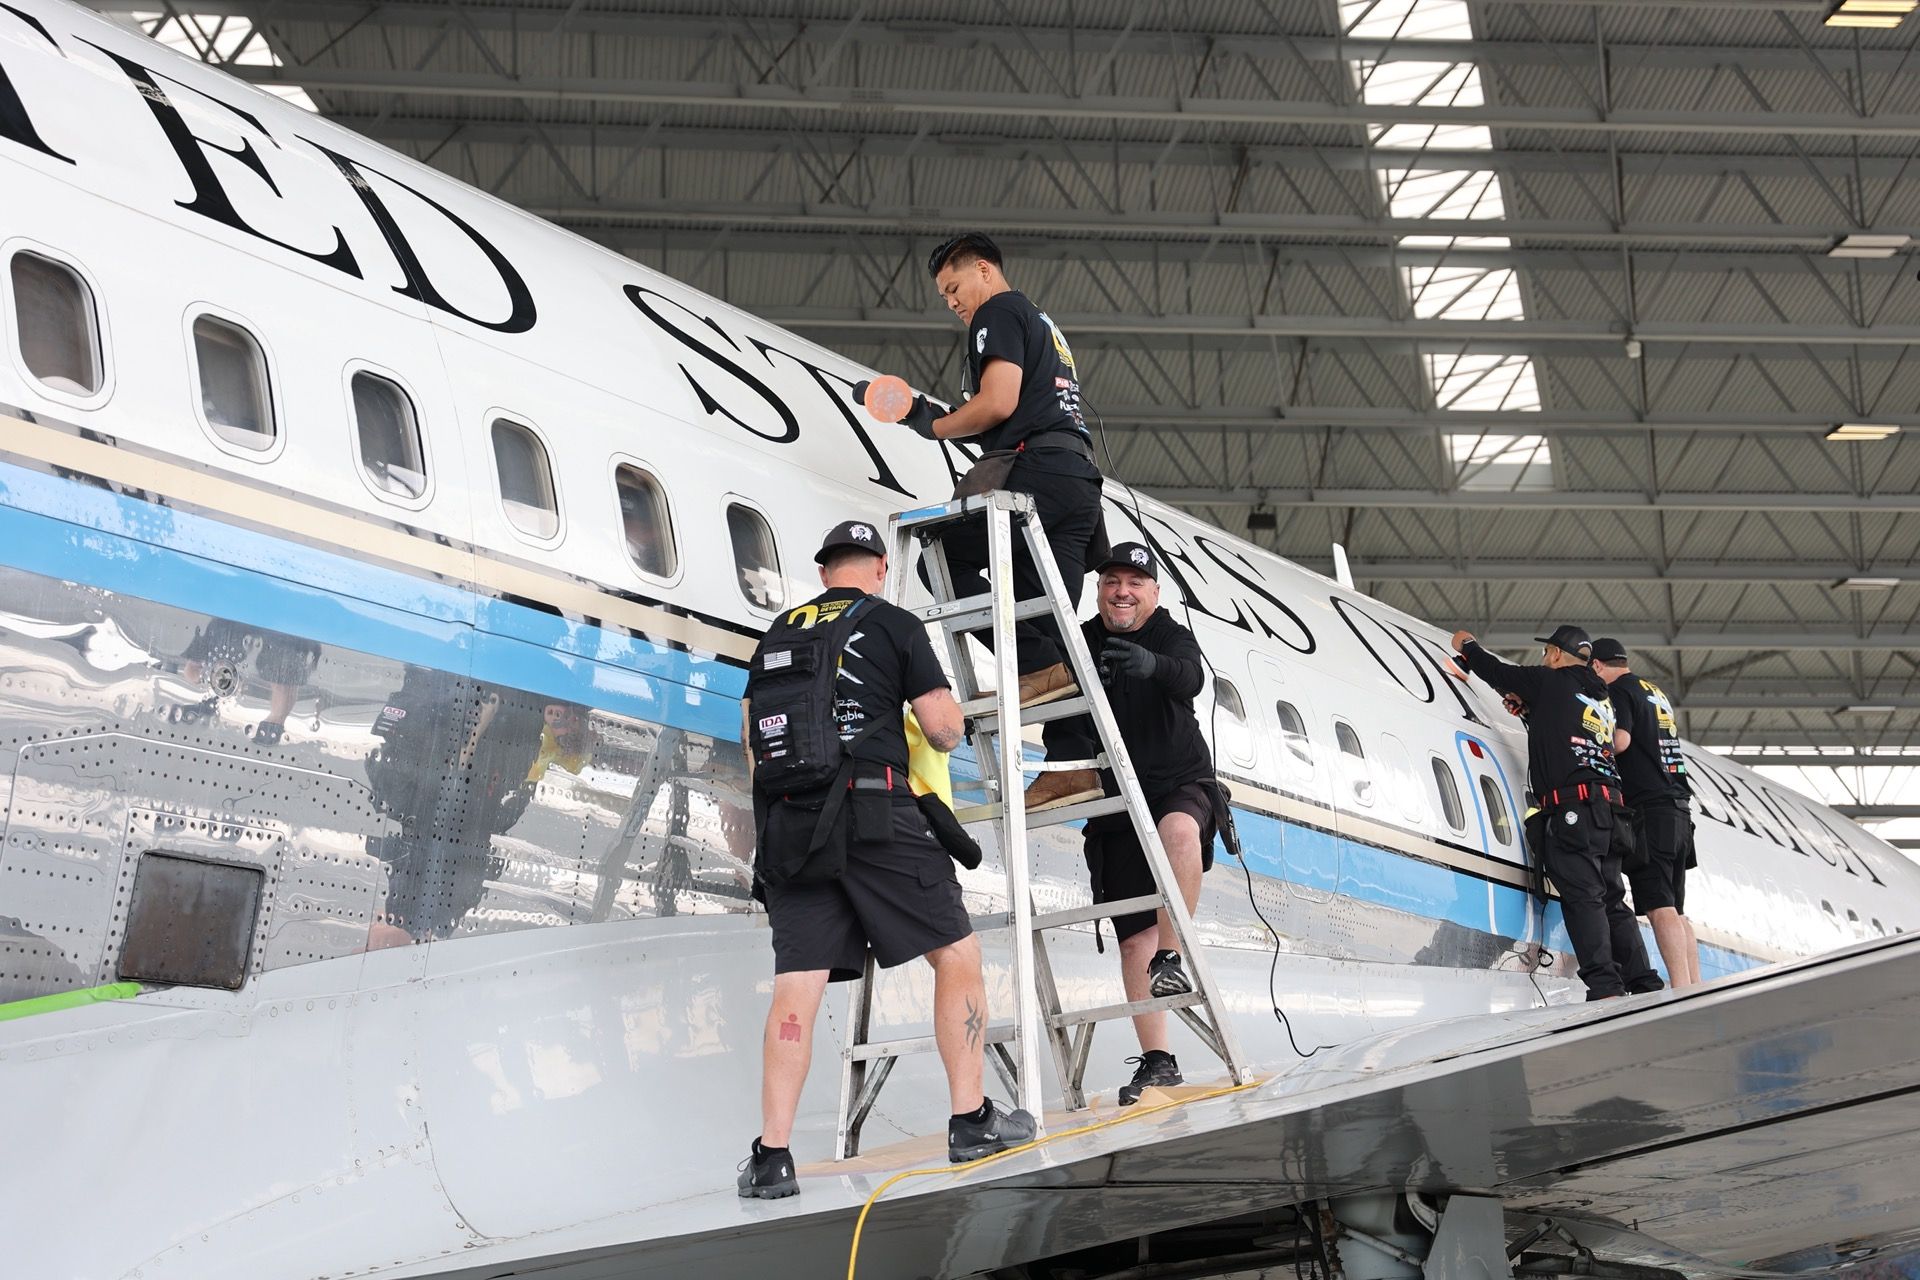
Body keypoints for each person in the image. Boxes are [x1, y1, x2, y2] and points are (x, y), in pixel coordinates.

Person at [736, 520, 1035, 1199]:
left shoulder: (777, 635)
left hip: (791, 832)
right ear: (877, 568)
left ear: (823, 573)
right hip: (876, 817)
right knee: (956, 956)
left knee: (796, 990)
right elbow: (941, 727)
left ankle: (772, 1156)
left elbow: (754, 744)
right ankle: (970, 1120)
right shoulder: (894, 623)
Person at [903, 232, 1107, 812]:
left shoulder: (998, 311)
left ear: (985, 270)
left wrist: (932, 424)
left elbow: (997, 402)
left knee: (940, 557)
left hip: (1037, 470)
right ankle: (1073, 768)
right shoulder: (1046, 325)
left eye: (954, 288)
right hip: (1078, 484)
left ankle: (1036, 668)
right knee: (1060, 636)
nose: (954, 304)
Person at [1073, 542, 1221, 1104]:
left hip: (1175, 782)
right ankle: (1159, 1060)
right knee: (1132, 944)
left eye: (1135, 582)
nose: (1122, 591)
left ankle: (1173, 955)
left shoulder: (1169, 633)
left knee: (1180, 833)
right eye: (1112, 580)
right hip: (1116, 800)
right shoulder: (1084, 636)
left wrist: (1150, 665)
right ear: (1099, 590)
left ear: (1154, 593)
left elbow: (1190, 678)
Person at [1451, 624, 1661, 1001]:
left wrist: (1467, 645)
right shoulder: (1601, 696)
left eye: (1546, 653)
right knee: (1612, 898)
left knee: (1585, 897)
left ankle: (1605, 987)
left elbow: (1495, 671)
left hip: (1575, 812)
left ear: (1556, 654)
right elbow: (1569, 733)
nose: (1543, 660)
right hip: (1611, 812)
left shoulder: (1552, 681)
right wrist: (1531, 711)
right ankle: (1644, 983)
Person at [1590, 638, 1701, 989]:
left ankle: (1681, 989)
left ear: (1597, 666)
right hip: (1679, 809)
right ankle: (1694, 984)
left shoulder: (1619, 690)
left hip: (1651, 810)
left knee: (1658, 905)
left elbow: (1620, 740)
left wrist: (1588, 739)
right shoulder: (1654, 691)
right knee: (1678, 910)